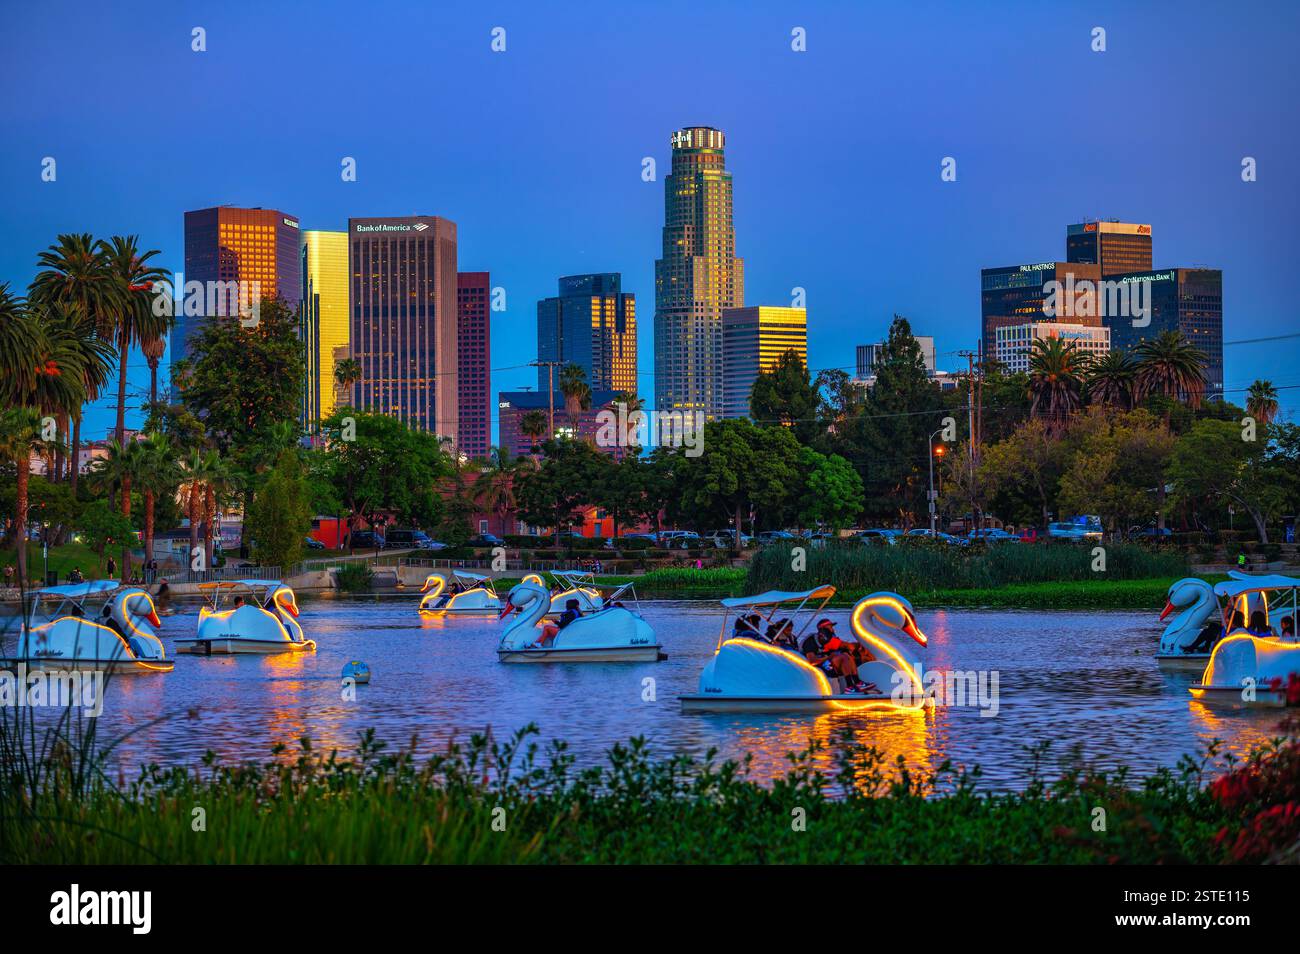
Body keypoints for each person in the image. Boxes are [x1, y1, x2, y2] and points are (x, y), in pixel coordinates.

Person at [801, 619, 870, 692]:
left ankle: (856, 682)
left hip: (827, 661)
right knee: (843, 657)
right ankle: (850, 685)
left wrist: (858, 646)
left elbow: (844, 646)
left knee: (846, 655)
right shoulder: (811, 641)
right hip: (818, 665)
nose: (833, 629)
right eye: (830, 627)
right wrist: (829, 657)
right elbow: (812, 661)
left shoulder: (830, 638)